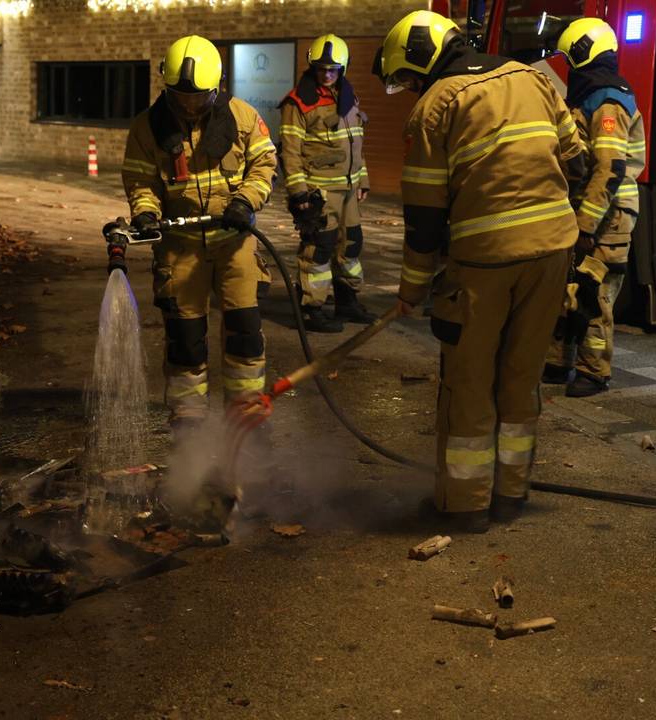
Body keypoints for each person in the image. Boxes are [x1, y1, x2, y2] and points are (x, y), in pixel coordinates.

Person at [375, 10, 590, 533]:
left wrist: (412, 288)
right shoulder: (534, 78)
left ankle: (466, 504)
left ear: (421, 61)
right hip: (551, 251)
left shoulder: (435, 107)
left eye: (406, 78)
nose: (408, 89)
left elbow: (424, 216)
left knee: (469, 383)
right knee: (521, 376)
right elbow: (577, 159)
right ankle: (511, 495)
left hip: (483, 261)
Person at [114, 35, 277, 434]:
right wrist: (147, 213)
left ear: (217, 88)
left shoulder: (241, 118)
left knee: (244, 331)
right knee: (185, 338)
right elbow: (140, 180)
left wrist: (245, 202)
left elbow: (264, 165)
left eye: (198, 98)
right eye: (179, 96)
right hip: (179, 248)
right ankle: (188, 419)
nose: (188, 106)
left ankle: (245, 413)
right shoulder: (147, 128)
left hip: (234, 244)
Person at [542, 17, 647, 398]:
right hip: (588, 211)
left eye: (569, 61)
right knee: (566, 287)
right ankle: (558, 361)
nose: (567, 70)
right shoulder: (591, 96)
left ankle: (594, 371)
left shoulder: (608, 100)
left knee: (592, 291)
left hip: (608, 216)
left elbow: (610, 168)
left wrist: (586, 224)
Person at [279, 33, 376, 333]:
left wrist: (363, 179)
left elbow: (355, 144)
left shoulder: (348, 97)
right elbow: (290, 151)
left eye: (333, 69)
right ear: (313, 68)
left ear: (342, 69)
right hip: (319, 191)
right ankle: (311, 308)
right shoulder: (298, 102)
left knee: (350, 244)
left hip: (348, 191)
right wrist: (299, 193)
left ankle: (346, 301)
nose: (328, 74)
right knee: (318, 249)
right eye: (322, 69)